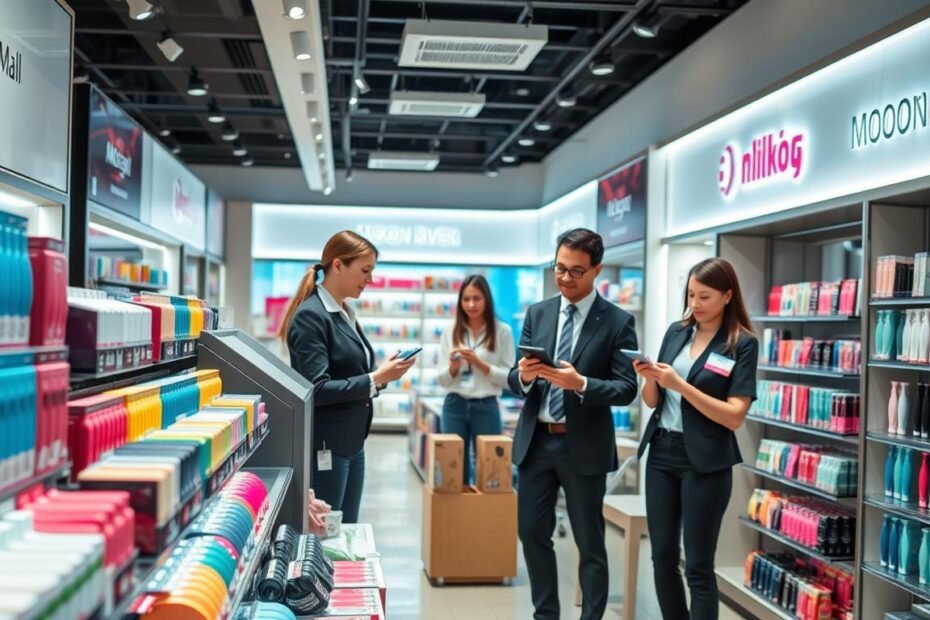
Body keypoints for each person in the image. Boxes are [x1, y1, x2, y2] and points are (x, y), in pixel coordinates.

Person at [508, 228, 638, 620]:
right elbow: (517, 381)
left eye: (576, 272)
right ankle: (545, 614)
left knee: (590, 542)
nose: (564, 278)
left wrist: (580, 383)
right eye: (559, 269)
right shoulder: (538, 313)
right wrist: (525, 376)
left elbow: (626, 388)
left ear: (597, 269)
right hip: (536, 443)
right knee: (531, 533)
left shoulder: (617, 321)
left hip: (583, 447)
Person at [635, 257, 758, 620]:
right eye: (690, 295)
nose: (695, 304)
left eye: (704, 296)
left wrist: (680, 384)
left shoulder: (741, 344)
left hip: (706, 462)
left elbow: (734, 416)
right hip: (661, 452)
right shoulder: (676, 332)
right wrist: (651, 379)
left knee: (699, 566)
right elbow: (653, 401)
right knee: (661, 558)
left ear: (727, 296)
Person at [279, 230, 416, 524]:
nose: (370, 279)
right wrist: (374, 378)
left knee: (346, 528)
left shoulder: (344, 312)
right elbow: (316, 388)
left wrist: (379, 377)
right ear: (338, 265)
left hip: (352, 443)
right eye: (365, 270)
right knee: (327, 533)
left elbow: (352, 374)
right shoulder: (311, 316)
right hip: (327, 445)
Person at [437, 274, 516, 485]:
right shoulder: (450, 330)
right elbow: (442, 380)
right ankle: (459, 517)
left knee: (489, 471)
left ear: (487, 300)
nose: (471, 304)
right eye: (466, 299)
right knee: (454, 473)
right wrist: (453, 367)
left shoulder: (503, 331)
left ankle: (482, 517)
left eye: (477, 298)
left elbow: (510, 379)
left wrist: (480, 364)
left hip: (486, 406)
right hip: (454, 405)